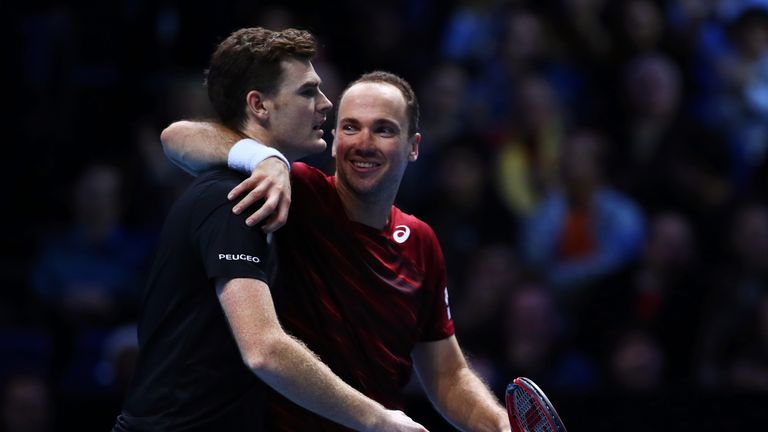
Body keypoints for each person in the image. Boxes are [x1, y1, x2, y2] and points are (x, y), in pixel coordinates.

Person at [114, 27, 427, 432]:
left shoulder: (270, 190)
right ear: (259, 105)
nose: (325, 104)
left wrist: (268, 159)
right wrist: (379, 420)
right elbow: (264, 349)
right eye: (307, 92)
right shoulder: (233, 200)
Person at [161, 70, 511, 431]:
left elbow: (447, 375)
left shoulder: (421, 242)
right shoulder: (296, 193)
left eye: (383, 129)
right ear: (332, 139)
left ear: (414, 146)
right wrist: (265, 159)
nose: (363, 142)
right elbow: (177, 138)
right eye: (350, 127)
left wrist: (501, 426)